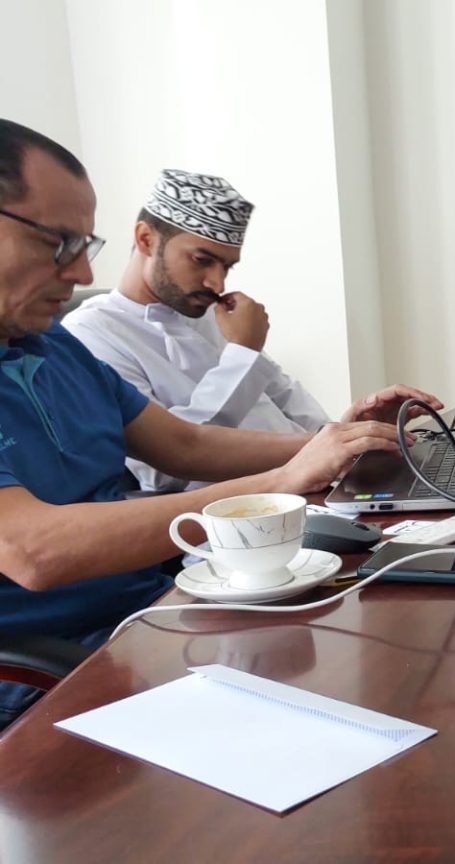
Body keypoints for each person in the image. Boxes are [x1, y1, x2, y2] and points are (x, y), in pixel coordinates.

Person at [0, 119, 399, 725]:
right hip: (54, 671)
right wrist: (280, 484)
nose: (81, 274)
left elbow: (185, 443)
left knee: (378, 656)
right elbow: (34, 550)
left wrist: (339, 442)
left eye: (84, 247)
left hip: (151, 612)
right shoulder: (92, 330)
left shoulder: (53, 344)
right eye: (58, 243)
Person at [62, 169, 440, 492]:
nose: (216, 282)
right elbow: (165, 469)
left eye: (226, 267)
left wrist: (353, 431)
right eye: (201, 260)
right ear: (146, 239)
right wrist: (242, 353)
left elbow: (287, 405)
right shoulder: (91, 334)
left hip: (318, 493)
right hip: (235, 523)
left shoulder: (208, 312)